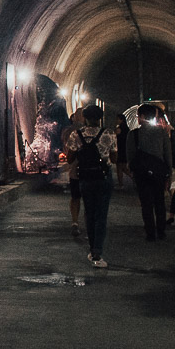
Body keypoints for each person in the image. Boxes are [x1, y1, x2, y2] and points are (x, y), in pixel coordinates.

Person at [66, 105, 117, 267]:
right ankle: (97, 251)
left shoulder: (76, 134)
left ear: (85, 118)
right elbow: (114, 159)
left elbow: (69, 158)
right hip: (103, 177)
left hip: (85, 177)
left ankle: (92, 247)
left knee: (89, 212)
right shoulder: (108, 133)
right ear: (100, 118)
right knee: (101, 214)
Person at [127, 103, 173, 241]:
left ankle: (150, 232)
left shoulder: (133, 134)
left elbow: (130, 156)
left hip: (141, 173)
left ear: (141, 116)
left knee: (146, 204)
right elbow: (167, 153)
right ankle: (161, 230)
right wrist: (169, 171)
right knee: (159, 201)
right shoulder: (162, 133)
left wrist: (132, 172)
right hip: (158, 172)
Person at [61, 108, 86, 237]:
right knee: (90, 198)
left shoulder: (69, 131)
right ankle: (90, 223)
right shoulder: (99, 132)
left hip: (76, 170)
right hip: (94, 172)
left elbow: (67, 151)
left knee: (75, 197)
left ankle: (75, 222)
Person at [114, 115, 131, 187]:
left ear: (121, 120)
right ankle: (122, 182)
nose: (117, 120)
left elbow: (115, 137)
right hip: (125, 149)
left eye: (118, 119)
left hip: (120, 149)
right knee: (123, 166)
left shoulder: (119, 128)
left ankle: (121, 183)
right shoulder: (127, 129)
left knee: (120, 167)